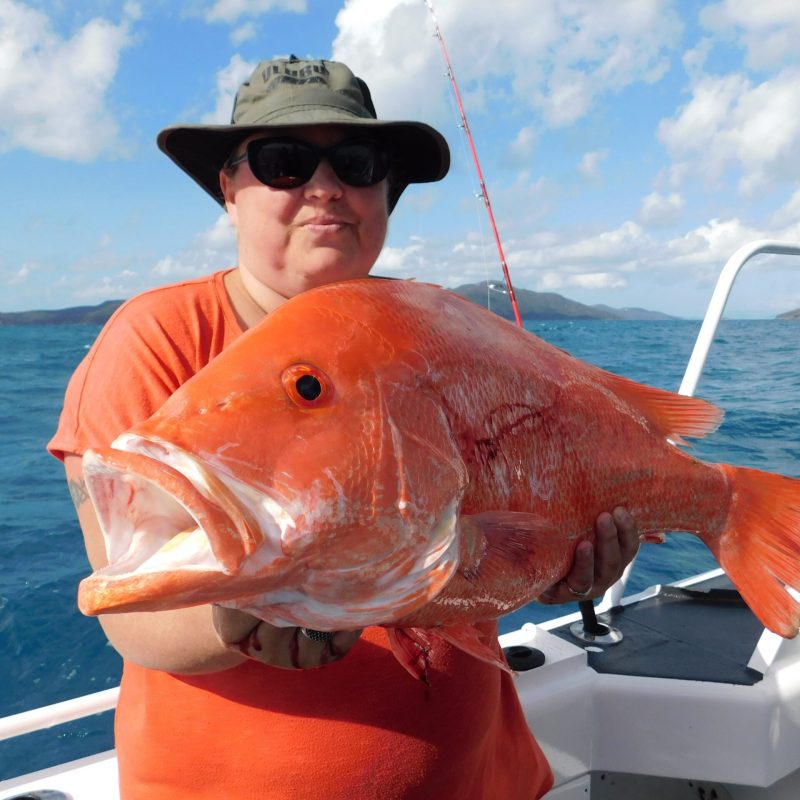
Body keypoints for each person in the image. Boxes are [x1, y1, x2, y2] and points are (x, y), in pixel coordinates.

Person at [49, 57, 640, 800]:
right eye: (284, 161)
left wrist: (557, 568)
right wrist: (234, 617)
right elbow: (130, 609)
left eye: (356, 163)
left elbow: (486, 549)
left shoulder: (443, 331)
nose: (325, 188)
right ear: (230, 189)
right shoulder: (157, 338)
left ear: (385, 191)